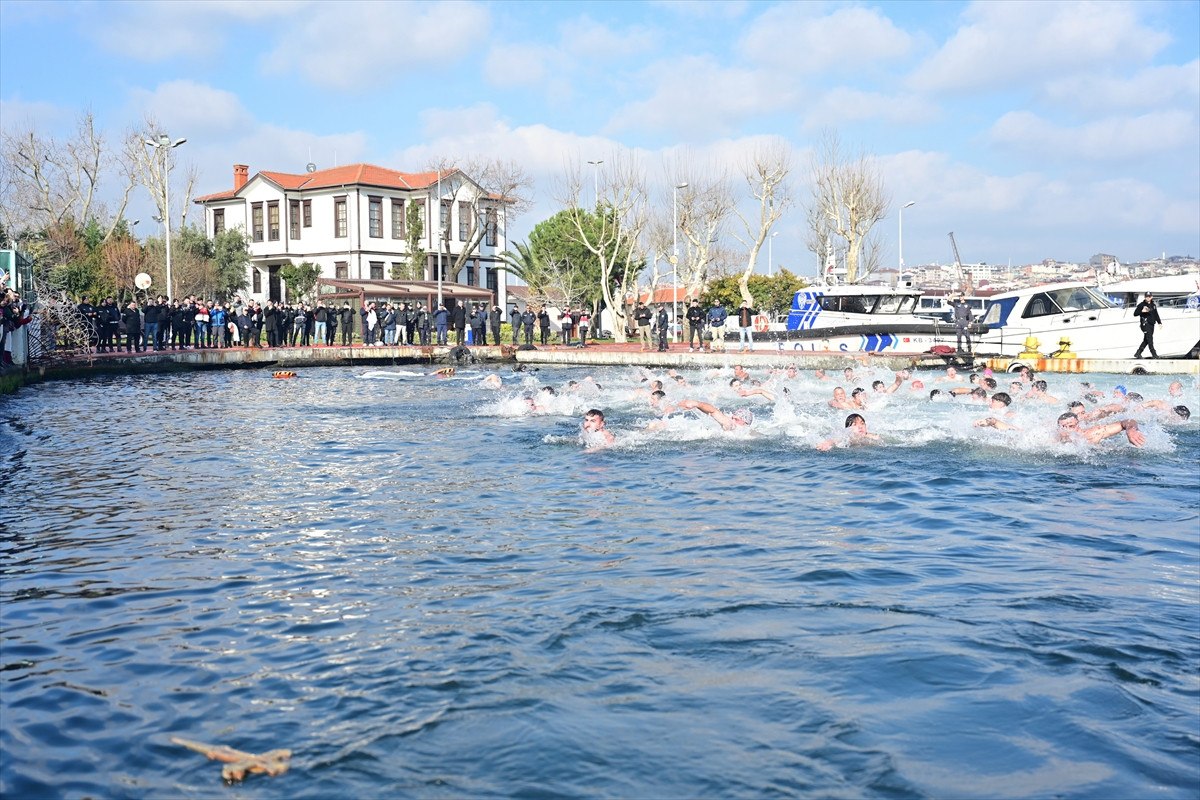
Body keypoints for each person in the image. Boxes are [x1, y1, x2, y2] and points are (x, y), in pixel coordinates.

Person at [1057, 412, 1146, 447]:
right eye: (1063, 427)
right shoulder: (1056, 438)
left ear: (1078, 425)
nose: (1067, 430)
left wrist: (1131, 430)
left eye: (1071, 426)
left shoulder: (1094, 433)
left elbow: (1127, 421)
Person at [816, 413, 882, 450]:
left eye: (862, 423)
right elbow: (835, 440)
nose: (860, 426)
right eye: (855, 424)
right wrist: (827, 443)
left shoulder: (872, 437)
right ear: (848, 429)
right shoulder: (847, 437)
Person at [1133, 292, 1162, 358]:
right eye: (1146, 296)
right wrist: (1142, 311)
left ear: (1151, 297)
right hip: (1145, 324)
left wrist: (1159, 323)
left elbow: (1156, 314)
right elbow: (1135, 314)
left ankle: (1138, 353)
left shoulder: (1153, 305)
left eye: (1149, 296)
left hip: (1152, 324)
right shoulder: (1141, 305)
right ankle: (1154, 354)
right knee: (1150, 339)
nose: (1148, 298)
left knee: (1146, 339)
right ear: (1145, 297)